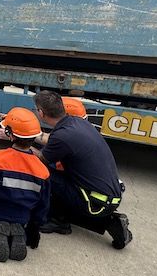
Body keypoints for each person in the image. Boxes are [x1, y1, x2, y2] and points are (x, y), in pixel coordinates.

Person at [32, 91, 132, 249]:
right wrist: (25, 132)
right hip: (109, 195)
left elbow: (39, 160)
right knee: (56, 173)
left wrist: (19, 140)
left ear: (41, 113)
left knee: (41, 172)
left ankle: (60, 222)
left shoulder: (61, 137)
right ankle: (110, 222)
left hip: (96, 201)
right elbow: (50, 141)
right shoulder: (76, 123)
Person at [0, 108, 51, 262]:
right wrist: (34, 228)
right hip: (22, 216)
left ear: (10, 134)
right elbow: (43, 205)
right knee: (17, 221)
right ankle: (19, 231)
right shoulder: (43, 170)